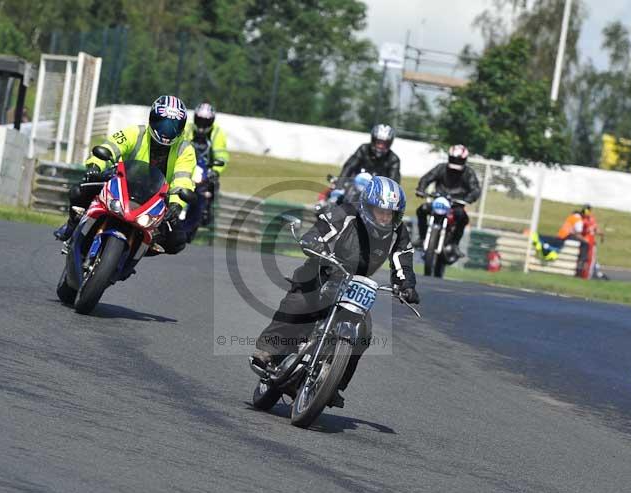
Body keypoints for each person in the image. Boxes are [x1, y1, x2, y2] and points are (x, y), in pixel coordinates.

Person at [250, 176, 419, 408]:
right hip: (325, 268)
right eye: (380, 211)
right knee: (300, 302)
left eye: (390, 213)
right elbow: (322, 228)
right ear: (367, 206)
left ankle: (334, 383)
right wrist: (313, 242)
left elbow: (403, 259)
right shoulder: (346, 213)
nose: (385, 217)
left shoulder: (398, 230)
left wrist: (406, 284)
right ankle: (269, 351)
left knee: (364, 331)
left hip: (357, 283)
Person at [53, 95, 196, 255]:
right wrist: (95, 166)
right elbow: (110, 147)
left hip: (157, 198)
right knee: (80, 191)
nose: (167, 130)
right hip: (122, 183)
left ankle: (135, 250)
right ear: (152, 118)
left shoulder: (185, 150)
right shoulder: (135, 132)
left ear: (182, 127)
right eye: (162, 123)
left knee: (176, 241)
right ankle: (72, 226)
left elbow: (183, 179)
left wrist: (177, 204)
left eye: (173, 126)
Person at [413, 144, 481, 259]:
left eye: (459, 160)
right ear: (449, 157)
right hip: (439, 200)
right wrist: (421, 189)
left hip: (456, 204)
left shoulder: (468, 173)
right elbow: (426, 178)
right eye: (454, 159)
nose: (456, 162)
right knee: (422, 209)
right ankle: (422, 238)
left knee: (463, 217)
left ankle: (454, 244)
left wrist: (467, 199)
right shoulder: (441, 168)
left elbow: (475, 189)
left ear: (464, 160)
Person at [183, 102, 229, 227]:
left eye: (206, 122)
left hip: (206, 169)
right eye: (200, 120)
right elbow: (179, 145)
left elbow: (222, 156)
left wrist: (215, 170)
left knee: (212, 185)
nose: (202, 125)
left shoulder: (217, 133)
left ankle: (206, 209)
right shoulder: (187, 128)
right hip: (187, 165)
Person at [531, 204, 592, 276]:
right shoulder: (579, 220)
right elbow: (577, 234)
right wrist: (585, 240)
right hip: (567, 236)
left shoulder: (573, 216)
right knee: (585, 244)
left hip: (561, 235)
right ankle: (580, 265)